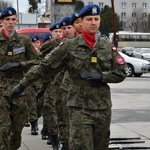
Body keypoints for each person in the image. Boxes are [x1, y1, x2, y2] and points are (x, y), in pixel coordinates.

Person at [9, 4, 127, 150]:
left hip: (102, 107)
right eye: (89, 19)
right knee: (81, 146)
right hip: (79, 106)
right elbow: (45, 67)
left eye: (96, 19)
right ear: (81, 22)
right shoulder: (70, 46)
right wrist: (22, 85)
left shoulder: (108, 47)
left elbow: (121, 72)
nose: (93, 22)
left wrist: (101, 76)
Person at [0, 7, 38, 150]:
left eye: (13, 19)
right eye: (7, 20)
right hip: (0, 89)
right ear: (1, 21)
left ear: (16, 21)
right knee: (3, 128)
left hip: (19, 90)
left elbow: (37, 62)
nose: (10, 22)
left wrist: (19, 64)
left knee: (16, 130)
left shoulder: (24, 41)